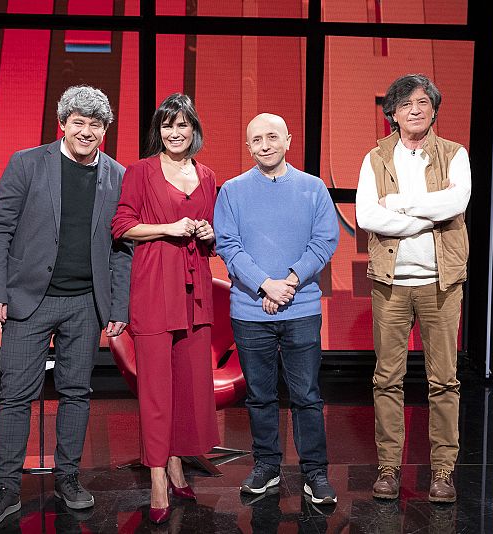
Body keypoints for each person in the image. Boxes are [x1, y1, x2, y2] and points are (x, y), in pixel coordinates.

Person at [0, 85, 133, 526]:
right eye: (78, 122)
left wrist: (119, 306)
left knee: (76, 393)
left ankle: (68, 478)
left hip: (86, 303)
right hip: (30, 299)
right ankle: (6, 488)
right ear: (62, 123)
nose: (86, 131)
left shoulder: (117, 175)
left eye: (95, 124)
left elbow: (122, 249)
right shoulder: (28, 163)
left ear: (105, 129)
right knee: (15, 397)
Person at [355, 74, 471, 503]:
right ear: (393, 114)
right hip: (391, 285)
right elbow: (368, 215)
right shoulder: (376, 158)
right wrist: (427, 214)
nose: (415, 110)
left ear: (434, 109)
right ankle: (388, 468)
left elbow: (455, 204)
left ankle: (443, 472)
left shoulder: (455, 155)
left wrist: (400, 204)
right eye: (405, 105)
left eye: (423, 102)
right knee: (388, 379)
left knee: (444, 381)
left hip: (442, 283)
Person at [214, 113, 340, 505]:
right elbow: (228, 246)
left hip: (300, 307)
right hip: (250, 310)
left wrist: (287, 283)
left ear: (288, 140)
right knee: (260, 395)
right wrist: (265, 285)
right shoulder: (232, 191)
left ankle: (315, 472)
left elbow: (324, 241)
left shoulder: (313, 187)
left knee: (306, 394)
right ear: (248, 146)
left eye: (272, 137)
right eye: (256, 139)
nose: (265, 145)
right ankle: (266, 465)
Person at [111, 93, 219, 524]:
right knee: (156, 390)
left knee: (187, 386)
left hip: (195, 293)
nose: (175, 133)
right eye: (167, 126)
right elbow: (122, 225)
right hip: (155, 289)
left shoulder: (208, 175)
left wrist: (208, 232)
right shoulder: (140, 171)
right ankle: (158, 478)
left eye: (183, 126)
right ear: (158, 132)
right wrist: (167, 228)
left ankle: (177, 461)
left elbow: (213, 233)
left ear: (195, 131)